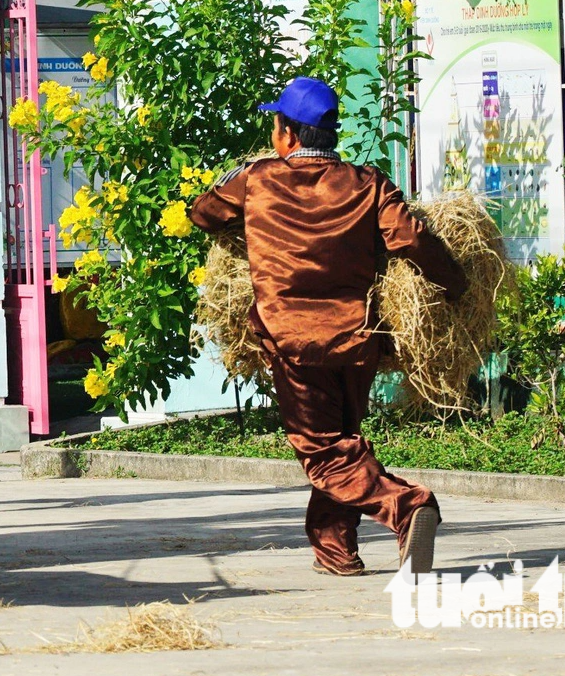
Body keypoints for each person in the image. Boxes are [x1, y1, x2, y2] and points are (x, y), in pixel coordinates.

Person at [189, 76, 464, 576]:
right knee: (343, 441)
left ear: (288, 135)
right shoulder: (368, 182)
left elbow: (203, 215)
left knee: (323, 454)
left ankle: (407, 506)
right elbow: (411, 238)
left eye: (276, 125)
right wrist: (457, 285)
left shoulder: (255, 178)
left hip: (292, 340)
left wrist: (238, 197)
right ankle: (336, 551)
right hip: (358, 339)